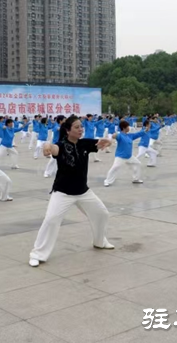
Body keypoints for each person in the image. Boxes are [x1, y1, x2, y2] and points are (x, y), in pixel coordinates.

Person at [28, 115, 113, 268]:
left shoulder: (84, 143)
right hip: (63, 193)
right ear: (68, 130)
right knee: (51, 220)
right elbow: (53, 149)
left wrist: (107, 141)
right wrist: (47, 145)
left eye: (81, 127)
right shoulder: (61, 145)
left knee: (102, 214)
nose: (81, 129)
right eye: (77, 127)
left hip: (83, 192)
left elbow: (102, 143)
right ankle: (37, 254)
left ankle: (100, 241)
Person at [104, 120, 147, 186]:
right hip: (120, 156)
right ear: (124, 128)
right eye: (128, 127)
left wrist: (145, 131)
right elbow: (115, 136)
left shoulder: (129, 136)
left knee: (137, 164)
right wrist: (114, 135)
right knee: (115, 168)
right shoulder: (120, 135)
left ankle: (136, 179)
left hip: (129, 156)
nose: (129, 128)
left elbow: (137, 134)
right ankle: (107, 181)